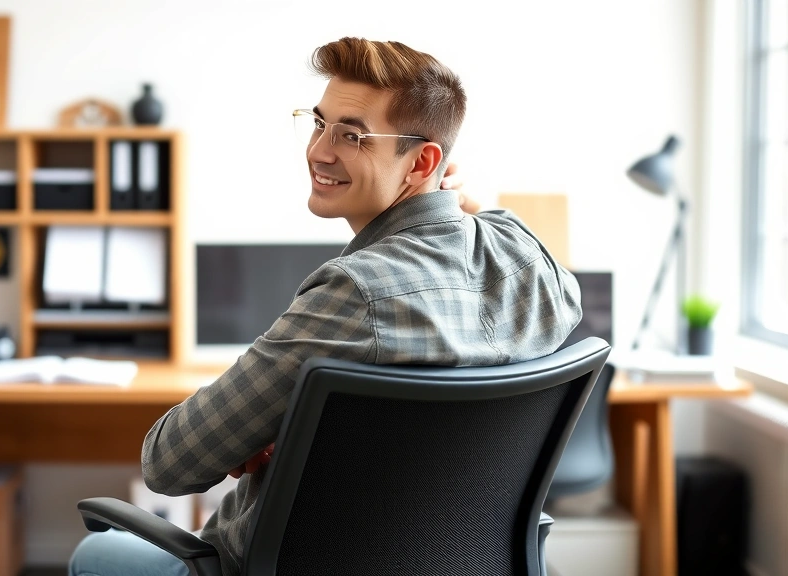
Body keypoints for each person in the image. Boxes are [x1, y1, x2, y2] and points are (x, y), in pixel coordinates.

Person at [69, 37, 582, 576]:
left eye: (352, 135)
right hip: (457, 562)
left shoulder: (356, 292)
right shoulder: (533, 264)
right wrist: (443, 193)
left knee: (96, 554)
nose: (319, 151)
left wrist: (265, 428)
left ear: (423, 160)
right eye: (318, 124)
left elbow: (169, 463)